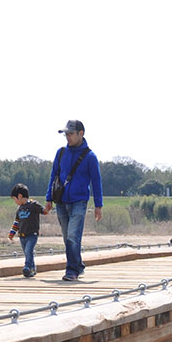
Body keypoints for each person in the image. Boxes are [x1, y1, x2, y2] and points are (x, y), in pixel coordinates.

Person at [46, 120, 103, 281]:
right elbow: (53, 176)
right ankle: (78, 265)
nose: (68, 137)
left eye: (71, 134)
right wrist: (48, 199)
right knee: (67, 236)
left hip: (79, 201)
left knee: (72, 235)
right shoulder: (61, 153)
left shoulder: (90, 156)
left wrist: (98, 205)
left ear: (81, 133)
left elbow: (96, 181)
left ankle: (71, 270)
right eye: (66, 134)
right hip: (61, 201)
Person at [7, 182, 49, 278]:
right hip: (22, 235)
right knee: (27, 252)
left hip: (32, 234)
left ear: (20, 196)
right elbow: (16, 223)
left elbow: (43, 211)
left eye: (15, 199)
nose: (15, 202)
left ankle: (27, 266)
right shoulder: (19, 209)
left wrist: (47, 209)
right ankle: (32, 269)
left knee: (28, 250)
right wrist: (12, 233)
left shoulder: (34, 205)